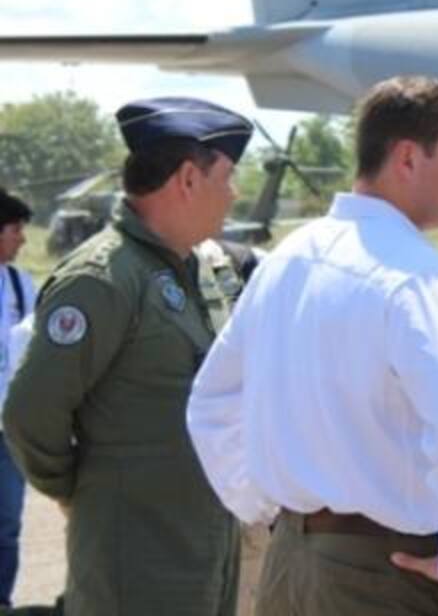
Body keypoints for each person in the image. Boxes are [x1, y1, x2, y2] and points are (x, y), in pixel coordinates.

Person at [187, 77, 438, 616]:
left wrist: (262, 507)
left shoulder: (288, 258)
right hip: (386, 572)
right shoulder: (413, 274)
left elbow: (211, 402)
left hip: (292, 564)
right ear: (408, 158)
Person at [2, 96, 253, 616]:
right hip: (134, 564)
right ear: (188, 179)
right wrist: (80, 492)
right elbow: (30, 414)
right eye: (227, 177)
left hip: (202, 550)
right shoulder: (105, 279)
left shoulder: (190, 270)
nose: (235, 194)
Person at [0, 190, 35, 607]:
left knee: (6, 524)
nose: (22, 238)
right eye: (15, 229)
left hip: (7, 430)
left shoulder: (20, 284)